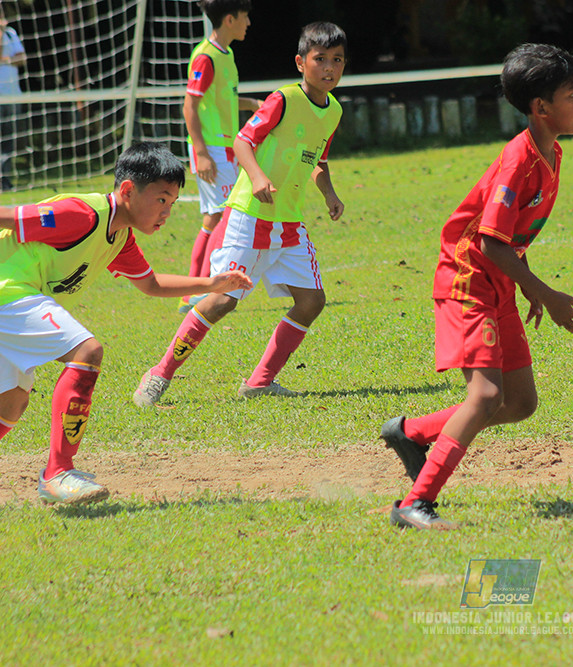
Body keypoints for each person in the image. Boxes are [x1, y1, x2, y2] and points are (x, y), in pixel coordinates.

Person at [380, 43, 573, 530]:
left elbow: (510, 237)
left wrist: (529, 286)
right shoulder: (519, 161)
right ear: (540, 107)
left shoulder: (550, 152)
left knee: (520, 403)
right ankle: (415, 503)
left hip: (499, 285)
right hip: (467, 282)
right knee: (485, 396)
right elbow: (491, 244)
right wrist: (547, 293)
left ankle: (410, 433)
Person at [0, 142, 252, 505]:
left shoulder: (119, 236)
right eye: (161, 199)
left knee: (11, 403)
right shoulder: (80, 215)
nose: (166, 211)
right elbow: (9, 217)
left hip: (16, 301)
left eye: (172, 201)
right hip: (8, 293)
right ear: (129, 190)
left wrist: (212, 284)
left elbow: (151, 284)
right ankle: (58, 473)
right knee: (87, 351)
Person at [132, 22, 347, 408]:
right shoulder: (282, 99)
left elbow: (319, 160)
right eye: (320, 60)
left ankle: (259, 382)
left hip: (290, 223)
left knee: (312, 301)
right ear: (301, 62)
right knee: (221, 300)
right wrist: (259, 175)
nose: (329, 68)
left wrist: (329, 193)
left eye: (337, 60)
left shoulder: (333, 111)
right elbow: (244, 140)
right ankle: (160, 373)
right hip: (249, 216)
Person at [179, 0, 261, 314]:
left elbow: (222, 100)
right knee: (219, 217)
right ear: (229, 19)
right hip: (211, 149)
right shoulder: (205, 57)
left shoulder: (225, 55)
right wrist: (201, 153)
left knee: (219, 217)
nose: (248, 23)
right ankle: (194, 290)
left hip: (225, 148)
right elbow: (190, 106)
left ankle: (198, 288)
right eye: (245, 17)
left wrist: (252, 104)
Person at [0, 5, 26, 192]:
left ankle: (5, 180)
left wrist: (5, 60)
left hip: (12, 96)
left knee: (9, 140)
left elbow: (22, 59)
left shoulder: (10, 33)